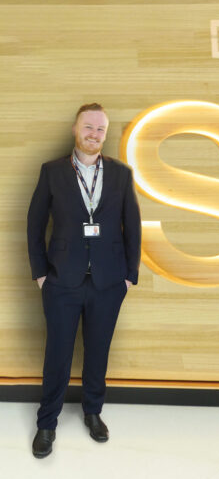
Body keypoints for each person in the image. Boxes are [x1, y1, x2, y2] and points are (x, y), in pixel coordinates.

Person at [27, 103, 141, 458]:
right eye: (88, 127)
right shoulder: (52, 171)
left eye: (100, 129)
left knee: (98, 351)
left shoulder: (121, 174)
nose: (94, 134)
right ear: (76, 130)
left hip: (109, 282)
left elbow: (133, 227)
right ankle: (47, 422)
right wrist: (41, 274)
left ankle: (93, 412)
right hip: (61, 280)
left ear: (105, 134)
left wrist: (130, 277)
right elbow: (34, 225)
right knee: (57, 354)